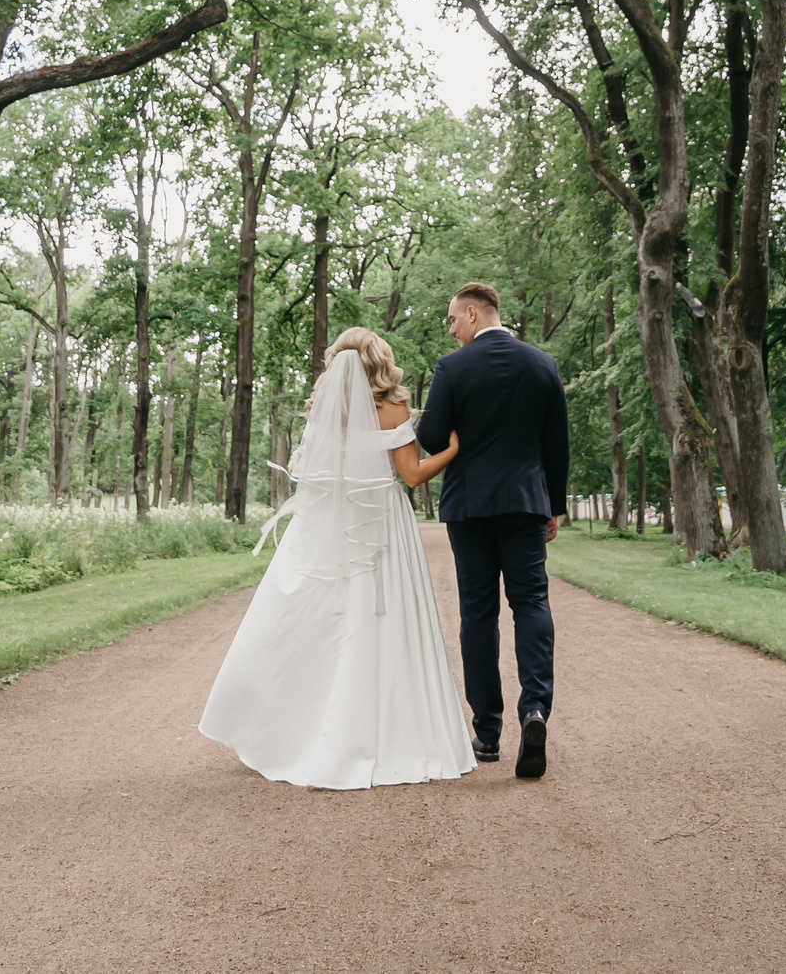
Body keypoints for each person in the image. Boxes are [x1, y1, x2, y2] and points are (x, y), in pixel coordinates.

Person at [198, 328, 476, 789]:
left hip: (328, 521)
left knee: (316, 615)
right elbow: (411, 475)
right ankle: (385, 733)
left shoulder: (322, 409)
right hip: (380, 522)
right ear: (380, 360)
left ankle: (291, 729)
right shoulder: (391, 408)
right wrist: (451, 449)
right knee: (383, 617)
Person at [415, 281, 569, 780]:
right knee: (531, 603)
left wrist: (460, 428)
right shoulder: (542, 364)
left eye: (454, 319)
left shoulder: (453, 368)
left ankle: (486, 733)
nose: (452, 327)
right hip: (526, 504)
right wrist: (555, 505)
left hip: (470, 508)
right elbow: (556, 443)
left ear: (475, 315)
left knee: (477, 613)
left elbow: (432, 437)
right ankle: (535, 711)